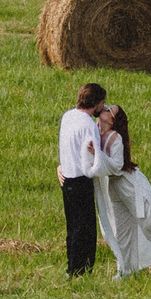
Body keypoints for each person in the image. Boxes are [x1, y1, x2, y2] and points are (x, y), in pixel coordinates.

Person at [90, 104, 151, 278]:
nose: (103, 109)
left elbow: (117, 166)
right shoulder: (97, 132)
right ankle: (126, 270)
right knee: (121, 231)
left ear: (112, 120)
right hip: (113, 186)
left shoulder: (116, 137)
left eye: (108, 109)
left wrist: (98, 154)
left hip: (130, 184)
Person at [57, 83, 106, 275]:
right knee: (85, 229)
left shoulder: (68, 116)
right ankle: (82, 270)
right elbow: (92, 159)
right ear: (95, 102)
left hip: (67, 178)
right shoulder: (88, 125)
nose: (103, 107)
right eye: (102, 102)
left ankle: (72, 266)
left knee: (72, 227)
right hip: (81, 180)